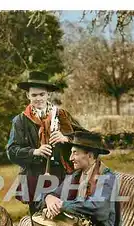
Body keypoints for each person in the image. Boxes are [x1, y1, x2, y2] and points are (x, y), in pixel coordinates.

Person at [35, 131, 117, 226]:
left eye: (75, 153)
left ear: (90, 155)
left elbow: (98, 209)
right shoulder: (76, 175)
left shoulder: (106, 177)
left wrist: (62, 205)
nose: (71, 158)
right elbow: (51, 193)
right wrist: (49, 197)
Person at [6, 71, 86, 215]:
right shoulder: (20, 121)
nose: (38, 99)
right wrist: (34, 152)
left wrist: (66, 138)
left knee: (65, 218)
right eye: (34, 95)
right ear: (27, 96)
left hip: (63, 177)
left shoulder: (62, 115)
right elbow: (11, 151)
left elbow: (87, 138)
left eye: (42, 94)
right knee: (39, 221)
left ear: (48, 94)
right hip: (34, 179)